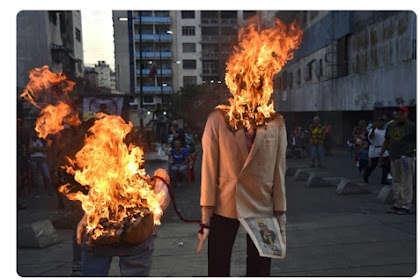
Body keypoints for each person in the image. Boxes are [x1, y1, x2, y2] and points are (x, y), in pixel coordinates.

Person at [197, 109, 287, 276]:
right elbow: (208, 168)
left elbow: (279, 170)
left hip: (262, 204)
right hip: (226, 204)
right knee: (218, 266)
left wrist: (281, 214)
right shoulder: (218, 119)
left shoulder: (276, 121)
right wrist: (205, 214)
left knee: (261, 269)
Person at [76, 169, 170, 276]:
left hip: (131, 234)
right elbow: (95, 194)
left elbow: (158, 206)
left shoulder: (149, 175)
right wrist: (86, 218)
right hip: (106, 233)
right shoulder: (103, 168)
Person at [379, 106, 416, 215]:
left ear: (406, 115)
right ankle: (398, 203)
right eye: (398, 113)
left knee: (407, 181)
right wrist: (381, 154)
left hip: (406, 156)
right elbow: (387, 141)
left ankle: (407, 204)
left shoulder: (412, 126)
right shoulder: (391, 126)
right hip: (393, 156)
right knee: (396, 180)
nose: (399, 115)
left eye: (402, 113)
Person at [363, 117, 390, 184]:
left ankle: (384, 180)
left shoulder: (385, 131)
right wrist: (373, 129)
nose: (381, 123)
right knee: (373, 165)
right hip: (375, 150)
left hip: (383, 149)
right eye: (380, 122)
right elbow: (370, 137)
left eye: (382, 122)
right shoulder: (373, 130)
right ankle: (366, 175)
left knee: (387, 165)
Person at [29, 132, 55, 198]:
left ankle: (50, 191)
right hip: (33, 158)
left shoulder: (44, 140)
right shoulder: (32, 139)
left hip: (43, 159)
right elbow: (30, 149)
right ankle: (37, 193)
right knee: (35, 176)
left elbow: (46, 149)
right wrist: (41, 150)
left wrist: (36, 149)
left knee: (47, 175)